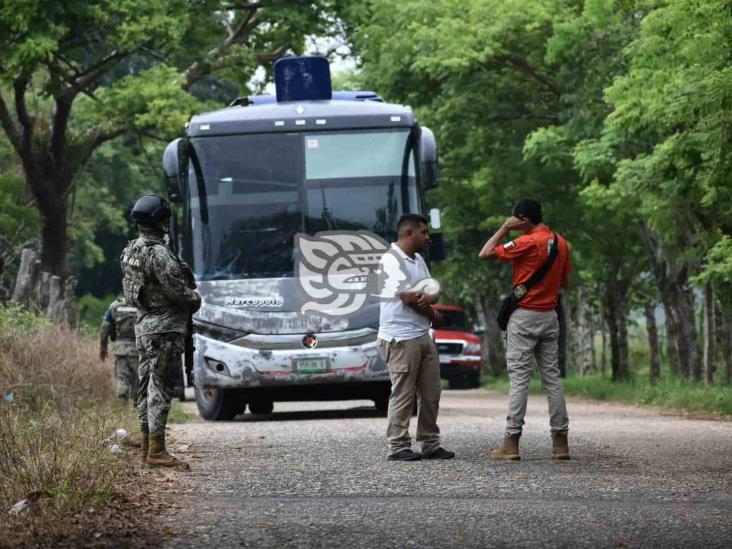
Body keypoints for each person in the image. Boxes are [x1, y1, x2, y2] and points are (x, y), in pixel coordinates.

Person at [478, 198, 571, 460]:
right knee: (552, 378)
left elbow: (485, 253)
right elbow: (566, 281)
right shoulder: (562, 243)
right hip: (550, 316)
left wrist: (505, 229)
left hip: (525, 317)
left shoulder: (527, 241)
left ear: (522, 219)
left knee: (519, 380)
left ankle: (511, 442)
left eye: (514, 219)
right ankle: (560, 443)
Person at [121, 195, 201, 469]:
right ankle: (156, 451)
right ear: (160, 221)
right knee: (160, 386)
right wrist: (195, 300)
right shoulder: (158, 253)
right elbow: (177, 291)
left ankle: (147, 447)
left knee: (145, 385)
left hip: (144, 327)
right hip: (164, 329)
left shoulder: (130, 250)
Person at [376, 213, 455, 461]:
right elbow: (410, 298)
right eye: (424, 232)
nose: (428, 237)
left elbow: (431, 291)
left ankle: (430, 443)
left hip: (421, 334)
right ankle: (398, 446)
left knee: (431, 393)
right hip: (399, 338)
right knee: (403, 394)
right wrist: (434, 315)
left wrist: (428, 302)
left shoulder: (417, 259)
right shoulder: (391, 260)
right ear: (410, 234)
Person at [99, 295, 139, 403]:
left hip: (121, 348)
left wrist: (103, 347)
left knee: (122, 377)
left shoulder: (114, 306)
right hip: (139, 348)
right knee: (139, 376)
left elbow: (105, 327)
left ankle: (122, 403)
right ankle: (138, 406)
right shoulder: (143, 304)